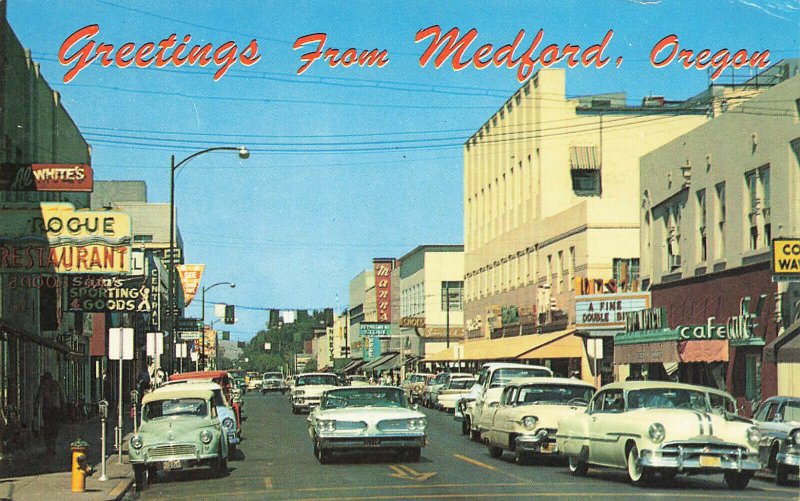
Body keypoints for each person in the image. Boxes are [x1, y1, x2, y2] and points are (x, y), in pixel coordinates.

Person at [34, 372, 66, 455]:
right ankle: (52, 446)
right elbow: (63, 397)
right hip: (56, 409)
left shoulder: (43, 386)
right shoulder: (57, 385)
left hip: (47, 410)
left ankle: (49, 447)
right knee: (54, 429)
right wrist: (64, 407)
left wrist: (36, 408)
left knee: (48, 428)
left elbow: (39, 397)